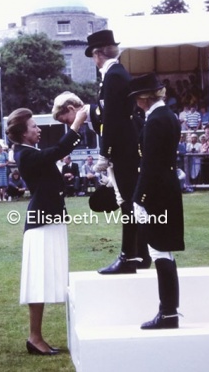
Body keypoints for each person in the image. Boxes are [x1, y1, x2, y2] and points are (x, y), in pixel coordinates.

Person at [5, 105, 85, 355]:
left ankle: (37, 337)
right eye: (33, 127)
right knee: (37, 280)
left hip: (49, 218)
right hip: (41, 222)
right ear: (22, 133)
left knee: (44, 278)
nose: (38, 129)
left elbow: (47, 175)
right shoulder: (24, 154)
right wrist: (77, 123)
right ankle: (34, 338)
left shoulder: (29, 151)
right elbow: (60, 150)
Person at [81, 29, 149, 273]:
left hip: (123, 149)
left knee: (127, 202)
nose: (93, 60)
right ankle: (139, 253)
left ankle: (128, 256)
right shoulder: (116, 74)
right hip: (127, 146)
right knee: (130, 201)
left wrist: (105, 151)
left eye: (93, 55)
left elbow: (112, 118)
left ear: (98, 54)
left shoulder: (113, 75)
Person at [129, 73, 185, 329]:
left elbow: (149, 164)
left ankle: (168, 313)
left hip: (156, 191)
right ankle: (169, 311)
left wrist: (139, 198)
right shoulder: (169, 116)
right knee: (165, 251)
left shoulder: (155, 121)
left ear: (143, 99)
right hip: (166, 187)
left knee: (159, 250)